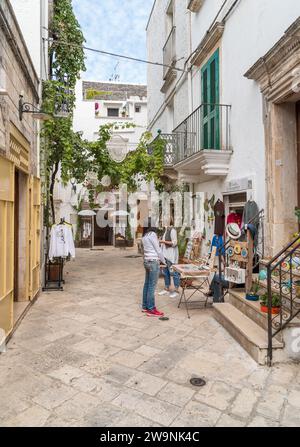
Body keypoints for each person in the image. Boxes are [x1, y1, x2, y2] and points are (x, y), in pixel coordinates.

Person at [142, 225, 166, 317]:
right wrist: (164, 261)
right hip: (153, 262)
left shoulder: (145, 236)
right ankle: (151, 309)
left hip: (147, 261)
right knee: (152, 286)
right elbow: (158, 250)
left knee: (147, 284)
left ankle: (145, 306)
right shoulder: (153, 235)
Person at [158, 221, 180, 299]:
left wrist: (162, 241)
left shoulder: (172, 230)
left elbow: (174, 243)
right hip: (165, 255)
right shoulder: (166, 230)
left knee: (174, 273)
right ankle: (167, 288)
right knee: (165, 273)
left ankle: (176, 290)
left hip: (171, 255)